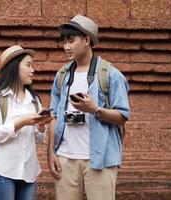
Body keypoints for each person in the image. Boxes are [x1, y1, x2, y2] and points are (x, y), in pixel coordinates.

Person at [47, 14, 131, 200]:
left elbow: (123, 116)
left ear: (86, 40)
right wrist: (51, 152)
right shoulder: (62, 75)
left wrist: (95, 109)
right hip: (65, 158)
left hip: (100, 159)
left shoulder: (110, 75)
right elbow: (54, 116)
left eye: (71, 40)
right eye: (64, 42)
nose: (66, 46)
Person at [0, 45, 53, 200]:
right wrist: (20, 123)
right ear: (14, 68)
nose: (33, 70)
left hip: (28, 171)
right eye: (28, 65)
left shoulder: (34, 100)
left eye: (32, 65)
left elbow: (38, 139)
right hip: (3, 170)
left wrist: (41, 126)